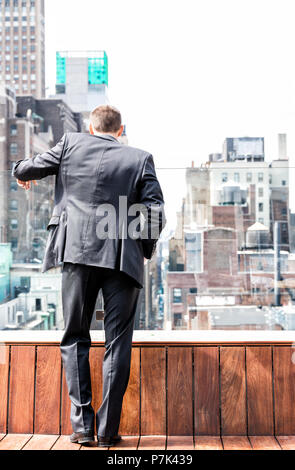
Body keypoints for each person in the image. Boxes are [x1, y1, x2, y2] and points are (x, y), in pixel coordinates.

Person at [13, 105, 166, 447]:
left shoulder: (70, 144)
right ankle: (109, 431)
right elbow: (156, 212)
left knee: (75, 336)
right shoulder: (140, 159)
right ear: (120, 129)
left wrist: (19, 171)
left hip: (77, 253)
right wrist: (140, 246)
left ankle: (82, 427)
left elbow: (29, 167)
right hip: (121, 261)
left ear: (90, 128)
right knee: (117, 343)